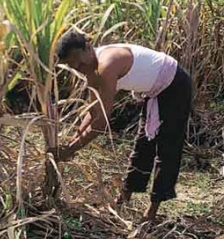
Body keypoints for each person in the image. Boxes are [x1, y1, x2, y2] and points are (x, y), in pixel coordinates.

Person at [50, 31, 192, 222]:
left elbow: (101, 123)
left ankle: (151, 211)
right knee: (142, 145)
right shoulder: (89, 70)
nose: (77, 67)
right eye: (71, 65)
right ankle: (123, 199)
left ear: (88, 47)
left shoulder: (106, 65)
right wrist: (72, 141)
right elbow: (93, 112)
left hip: (175, 85)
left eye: (78, 61)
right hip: (154, 91)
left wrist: (71, 149)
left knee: (167, 148)